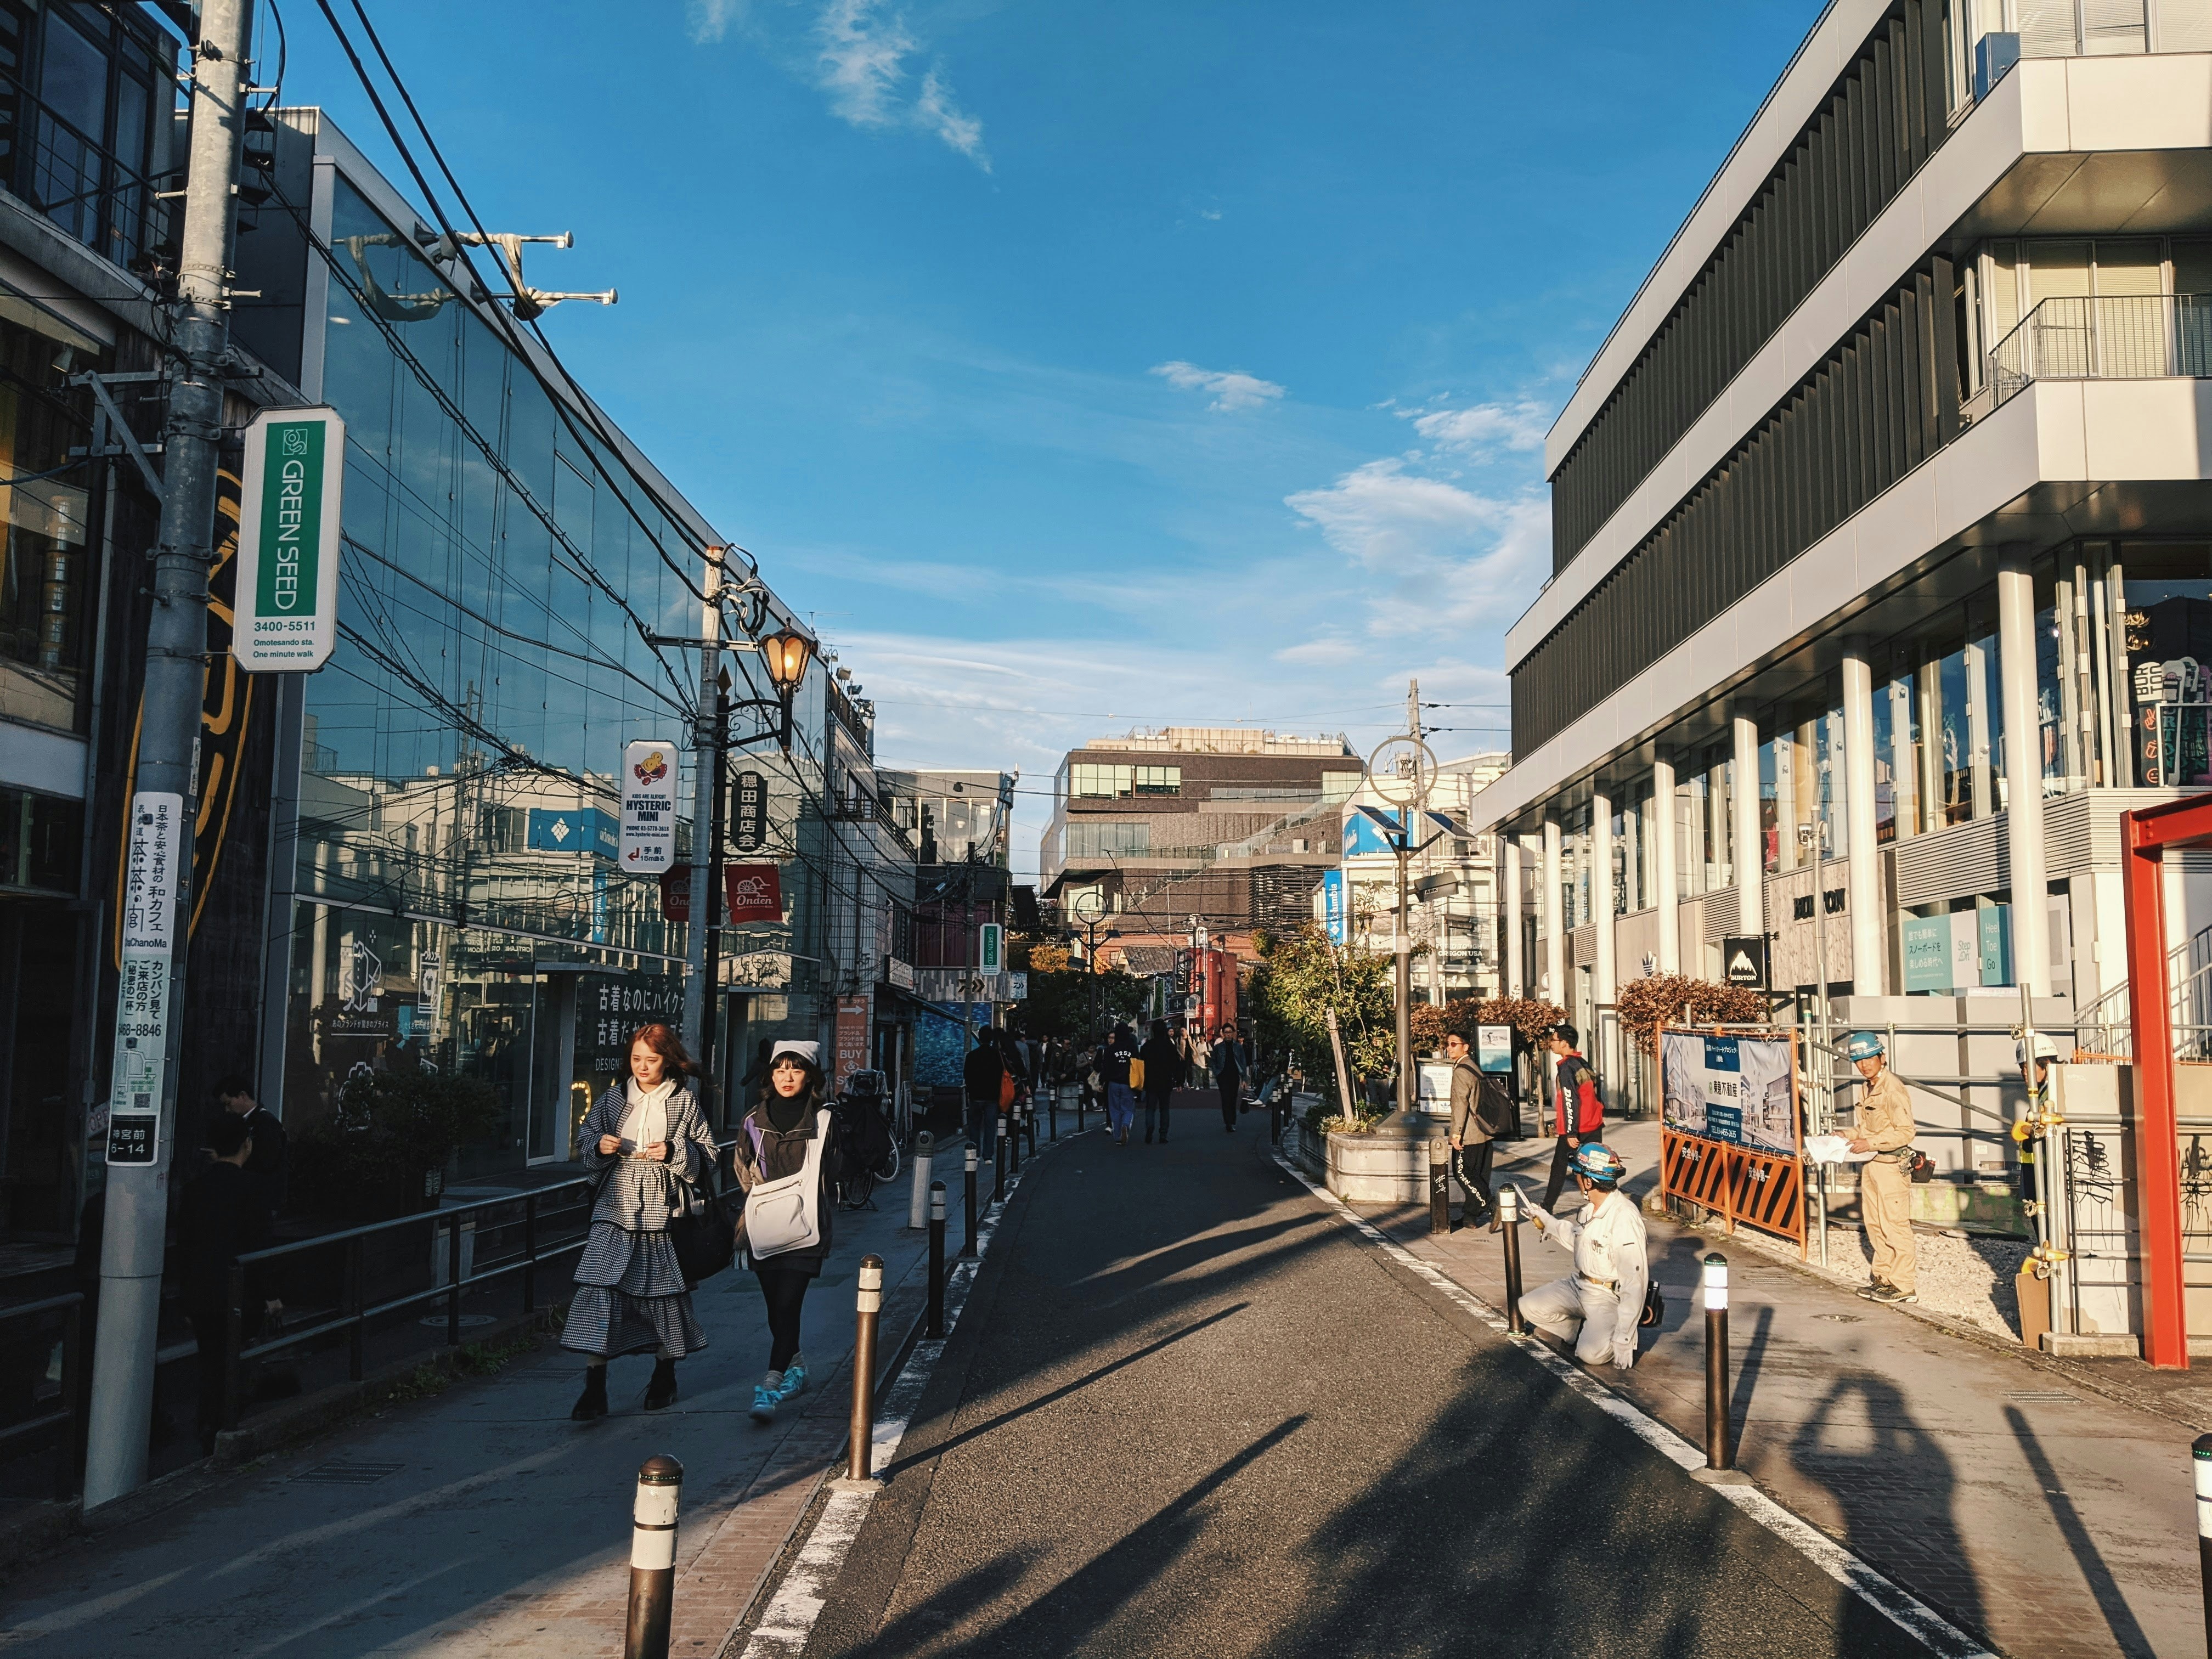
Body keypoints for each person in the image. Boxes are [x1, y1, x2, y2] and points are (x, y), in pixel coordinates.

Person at [565, 1023, 719, 1420]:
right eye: (636, 1059)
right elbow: (586, 1138)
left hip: (661, 1209)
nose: (643, 1067)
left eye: (651, 1060)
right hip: (613, 1204)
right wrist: (599, 1145)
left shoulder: (684, 1102)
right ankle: (594, 1388)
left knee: (663, 1296)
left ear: (668, 1061)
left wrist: (673, 1149)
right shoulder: (614, 1098)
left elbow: (709, 1154)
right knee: (599, 1288)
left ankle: (664, 1375)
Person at [732, 1040, 840, 1423]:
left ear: (810, 1075)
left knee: (787, 1303)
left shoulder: (825, 1119)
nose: (787, 1077)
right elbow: (743, 1171)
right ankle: (796, 1369)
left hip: (806, 1226)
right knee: (775, 1309)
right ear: (770, 1075)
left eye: (796, 1070)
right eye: (780, 1069)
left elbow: (835, 1169)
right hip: (762, 1228)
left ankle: (771, 1384)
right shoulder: (752, 1120)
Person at [179, 1112, 280, 1451]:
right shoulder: (254, 1188)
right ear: (246, 1145)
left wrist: (185, 1298)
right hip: (241, 1290)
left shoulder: (194, 1190)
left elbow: (185, 1246)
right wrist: (270, 1294)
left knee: (209, 1358)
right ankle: (229, 1423)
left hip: (202, 1289)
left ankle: (208, 1424)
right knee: (237, 1354)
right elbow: (258, 1242)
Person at [1516, 1142, 1646, 1369]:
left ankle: (1614, 1328)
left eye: (1578, 1174)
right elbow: (1577, 1240)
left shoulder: (1625, 1217)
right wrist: (1545, 1220)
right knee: (1528, 1305)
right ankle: (1577, 1330)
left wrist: (1625, 1337)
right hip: (1579, 1286)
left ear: (1589, 1181)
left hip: (1607, 1297)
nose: (1575, 1179)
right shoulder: (1588, 1209)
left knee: (1590, 1355)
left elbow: (1635, 1281)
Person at [1846, 1030, 1919, 1305]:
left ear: (1882, 1057)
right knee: (1875, 1225)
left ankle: (1904, 1285)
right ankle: (1883, 1278)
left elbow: (1906, 1132)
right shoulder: (1867, 1088)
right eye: (1859, 1061)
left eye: (1868, 1058)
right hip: (1873, 1164)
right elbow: (1866, 1129)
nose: (1864, 1065)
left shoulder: (1893, 1090)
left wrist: (1870, 1142)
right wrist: (1848, 1135)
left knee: (1895, 1225)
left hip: (1892, 1165)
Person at [1540, 1024, 1606, 1212]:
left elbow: (1570, 1100)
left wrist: (1570, 1131)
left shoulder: (1567, 1067)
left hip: (1578, 1127)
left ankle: (1547, 1207)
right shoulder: (1582, 1063)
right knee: (1591, 1168)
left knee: (1559, 1168)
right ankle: (1599, 1205)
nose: (1551, 1044)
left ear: (1564, 1043)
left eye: (1553, 1040)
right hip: (1593, 1124)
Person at [211, 1074, 289, 1227]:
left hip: (261, 1199)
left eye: (229, 1103)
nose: (227, 1110)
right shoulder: (251, 1122)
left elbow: (266, 1163)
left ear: (243, 1096)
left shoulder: (266, 1124)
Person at [1444, 1031, 1504, 1228]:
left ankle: (1491, 1204)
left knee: (1462, 1173)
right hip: (1483, 1131)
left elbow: (1460, 1104)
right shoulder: (1474, 1066)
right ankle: (1470, 1217)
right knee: (1478, 1174)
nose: (1449, 1048)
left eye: (1454, 1044)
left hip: (1469, 1134)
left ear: (1466, 1047)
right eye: (1448, 1044)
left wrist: (1455, 1134)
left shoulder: (1462, 1071)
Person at [2015, 1031, 2062, 1218]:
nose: (2024, 1073)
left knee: (2046, 1217)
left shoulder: (2055, 1092)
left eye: (2028, 1067)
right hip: (2035, 1166)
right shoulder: (2041, 1093)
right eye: (2022, 1068)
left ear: (2047, 1064)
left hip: (2046, 1167)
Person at [964, 1027, 1003, 1163]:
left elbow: (966, 1075)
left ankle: (975, 1153)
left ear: (979, 1038)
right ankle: (988, 1155)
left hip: (975, 1096)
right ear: (991, 1039)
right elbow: (1000, 1075)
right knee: (990, 1126)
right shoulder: (996, 1055)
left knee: (974, 1125)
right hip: (992, 1096)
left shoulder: (972, 1056)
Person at [1138, 1019, 1181, 1144]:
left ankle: (1150, 1127)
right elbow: (1176, 1064)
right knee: (1164, 1108)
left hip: (1151, 1080)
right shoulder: (1169, 1046)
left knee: (1150, 1107)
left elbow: (1142, 1063)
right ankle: (1163, 1134)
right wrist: (1179, 1081)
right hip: (1166, 1080)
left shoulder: (1147, 1046)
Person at [1099, 1022, 1138, 1146]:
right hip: (1128, 1082)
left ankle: (1118, 1136)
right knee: (1128, 1107)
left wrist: (1102, 1081)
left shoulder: (1111, 1049)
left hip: (1113, 1083)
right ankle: (1126, 1125)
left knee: (1115, 1109)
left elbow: (1106, 1066)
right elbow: (1138, 1064)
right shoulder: (1132, 1047)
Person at [1209, 1031, 1244, 1132]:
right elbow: (1213, 1060)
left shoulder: (1237, 1047)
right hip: (1223, 1075)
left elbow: (1243, 1061)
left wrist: (1244, 1078)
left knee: (1233, 1099)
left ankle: (1232, 1121)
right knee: (1225, 1098)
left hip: (1234, 1075)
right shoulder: (1219, 1046)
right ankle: (1228, 1122)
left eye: (1230, 1032)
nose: (1228, 1035)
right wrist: (1217, 1072)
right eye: (1226, 1032)